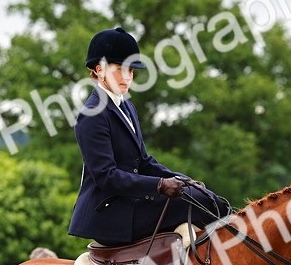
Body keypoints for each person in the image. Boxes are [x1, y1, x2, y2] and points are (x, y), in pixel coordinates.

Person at [68, 26, 229, 246]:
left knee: (206, 196)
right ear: (99, 70)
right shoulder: (92, 114)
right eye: (119, 69)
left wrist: (181, 179)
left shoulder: (127, 107)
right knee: (197, 202)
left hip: (131, 203)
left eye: (131, 71)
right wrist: (160, 185)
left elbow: (143, 161)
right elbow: (106, 176)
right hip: (111, 214)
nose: (128, 77)